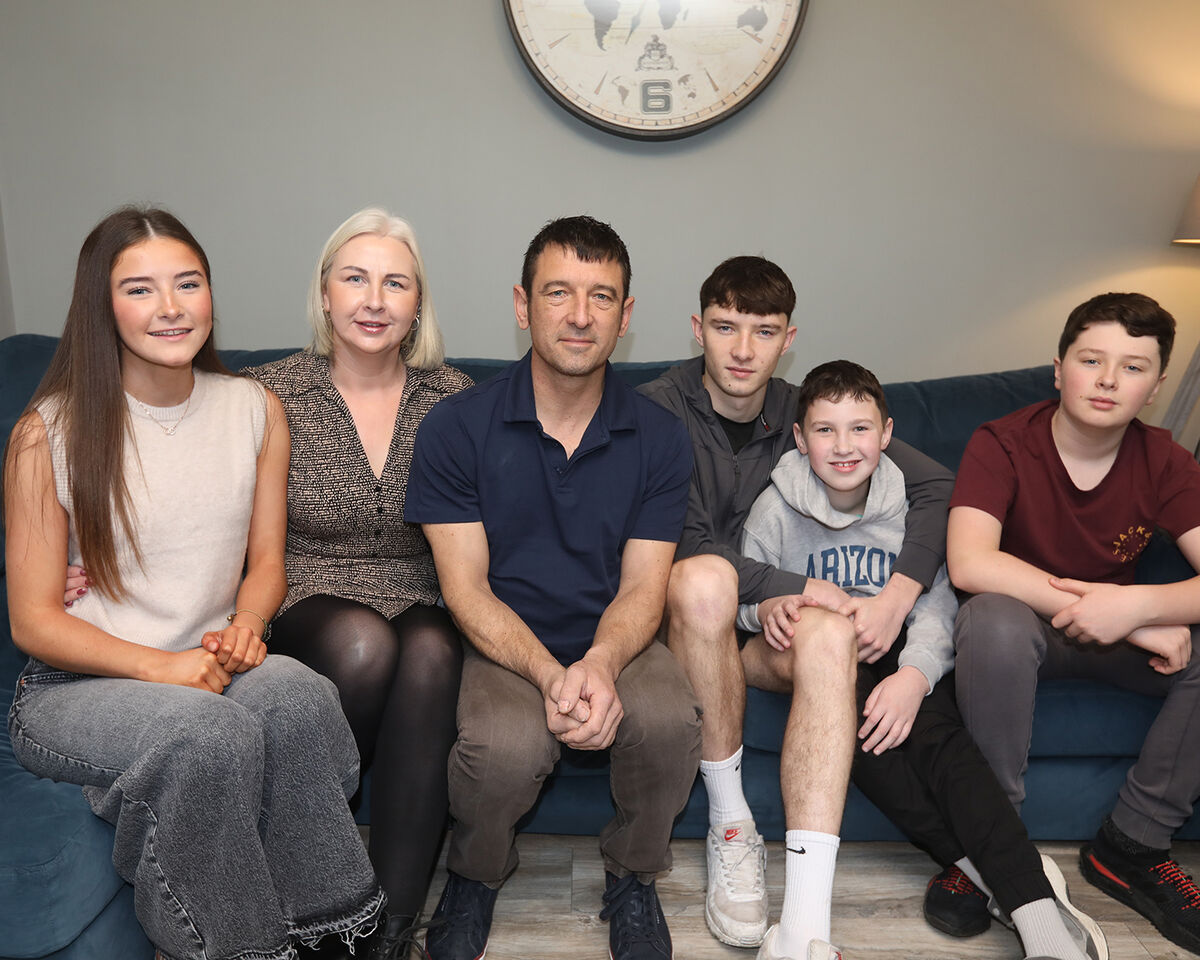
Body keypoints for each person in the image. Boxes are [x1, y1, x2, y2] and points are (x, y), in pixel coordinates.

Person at [4, 206, 382, 960]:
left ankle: (336, 938)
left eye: (188, 283)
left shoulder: (253, 410)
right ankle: (239, 948)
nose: (171, 307)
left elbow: (266, 564)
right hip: (77, 688)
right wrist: (165, 668)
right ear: (102, 305)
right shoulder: (47, 432)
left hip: (209, 665)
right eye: (139, 289)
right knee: (208, 733)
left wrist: (247, 625)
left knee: (297, 695)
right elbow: (34, 622)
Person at [637, 256, 955, 960]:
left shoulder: (805, 412)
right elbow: (683, 543)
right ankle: (731, 827)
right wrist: (797, 585)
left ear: (789, 339)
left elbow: (933, 486)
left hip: (764, 633)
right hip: (685, 616)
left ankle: (805, 927)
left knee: (831, 636)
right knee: (704, 581)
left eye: (764, 331)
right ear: (697, 329)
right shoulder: (658, 408)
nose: (743, 349)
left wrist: (897, 596)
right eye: (725, 327)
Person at [737, 359, 1105, 960]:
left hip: (903, 653)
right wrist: (766, 609)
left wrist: (915, 675)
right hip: (818, 662)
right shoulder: (773, 511)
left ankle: (1041, 924)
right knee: (867, 747)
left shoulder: (913, 508)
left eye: (860, 428)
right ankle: (1007, 878)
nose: (843, 446)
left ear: (887, 433)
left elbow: (936, 604)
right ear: (800, 439)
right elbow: (745, 601)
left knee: (941, 744)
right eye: (825, 430)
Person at [405, 215, 702, 960]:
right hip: (504, 640)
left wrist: (599, 663)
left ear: (625, 317)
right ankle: (475, 874)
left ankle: (633, 875)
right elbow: (466, 589)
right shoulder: (455, 427)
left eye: (601, 297)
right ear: (522, 304)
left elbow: (645, 587)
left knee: (670, 722)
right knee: (503, 747)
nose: (579, 316)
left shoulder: (661, 436)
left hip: (615, 636)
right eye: (558, 292)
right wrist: (547, 674)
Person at [239, 208, 470, 958]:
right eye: (355, 279)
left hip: (420, 588)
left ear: (417, 302)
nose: (374, 300)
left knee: (433, 650)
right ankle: (310, 877)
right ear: (325, 294)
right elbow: (195, 497)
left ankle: (389, 930)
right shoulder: (266, 393)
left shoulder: (454, 399)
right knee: (365, 643)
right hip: (303, 590)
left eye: (395, 283)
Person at [948, 292, 1200, 956]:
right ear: (1058, 369)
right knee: (990, 618)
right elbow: (971, 562)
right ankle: (990, 841)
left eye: (1133, 367)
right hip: (1020, 630)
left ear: (1155, 387)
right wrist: (1124, 616)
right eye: (1092, 360)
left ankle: (1133, 845)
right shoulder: (1002, 442)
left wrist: (1139, 608)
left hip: (1113, 638)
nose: (1109, 380)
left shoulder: (1165, 460)